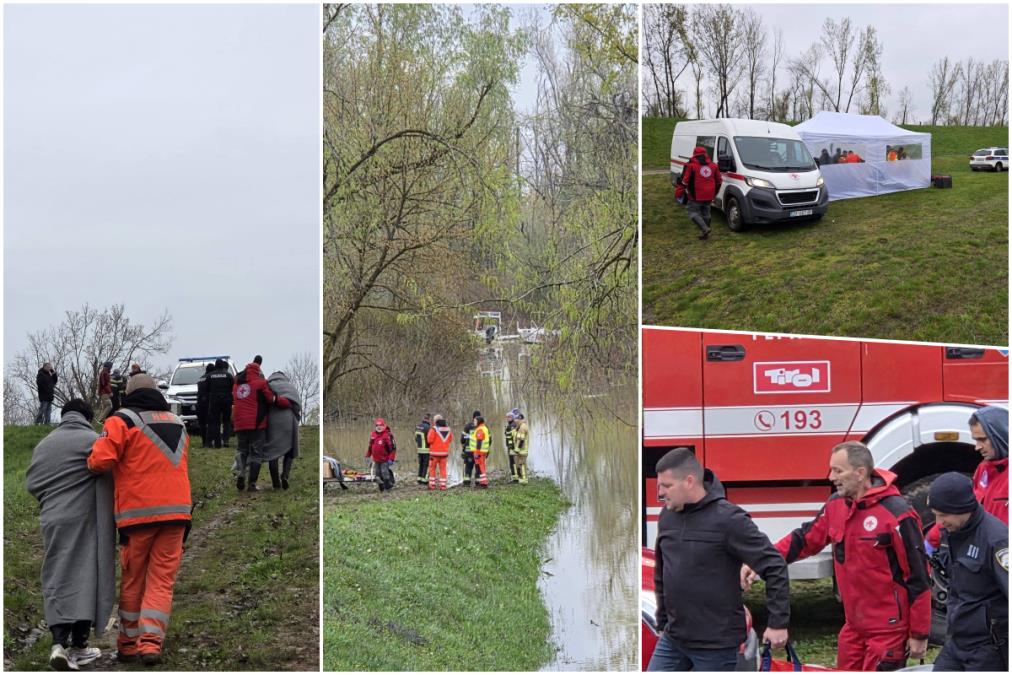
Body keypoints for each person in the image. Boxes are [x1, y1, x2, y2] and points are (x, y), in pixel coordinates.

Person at [744, 441, 930, 670]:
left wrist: (920, 633)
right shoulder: (836, 506)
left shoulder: (897, 514)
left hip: (888, 632)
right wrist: (761, 560)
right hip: (853, 629)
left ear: (860, 473)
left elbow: (919, 576)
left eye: (838, 470)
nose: (831, 477)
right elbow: (803, 540)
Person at [649, 448, 789, 672]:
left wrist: (778, 623)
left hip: (715, 646)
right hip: (674, 640)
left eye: (666, 486)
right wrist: (663, 620)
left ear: (689, 481)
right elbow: (662, 572)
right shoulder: (667, 516)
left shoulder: (728, 519)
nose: (660, 493)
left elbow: (774, 565)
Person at [87, 374, 192, 665]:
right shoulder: (178, 422)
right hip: (177, 513)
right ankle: (151, 644)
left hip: (137, 516)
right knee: (161, 581)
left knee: (134, 580)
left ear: (128, 394)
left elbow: (100, 461)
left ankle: (129, 645)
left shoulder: (121, 420)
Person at [26, 399, 114, 671]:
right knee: (86, 576)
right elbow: (108, 468)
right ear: (87, 418)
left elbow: (32, 483)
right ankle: (74, 644)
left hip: (52, 518)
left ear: (64, 416)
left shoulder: (44, 444)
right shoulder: (92, 439)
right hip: (84, 519)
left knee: (57, 573)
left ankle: (60, 643)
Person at [928, 472, 1008, 671]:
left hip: (987, 649)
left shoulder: (996, 541)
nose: (938, 522)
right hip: (957, 641)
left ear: (963, 508)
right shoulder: (952, 531)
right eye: (935, 514)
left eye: (943, 515)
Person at [926, 406, 1008, 551]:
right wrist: (932, 541)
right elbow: (965, 511)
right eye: (976, 440)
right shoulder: (984, 470)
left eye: (982, 440)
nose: (977, 447)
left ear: (1002, 434)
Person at [232, 355, 287, 491]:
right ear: (258, 371)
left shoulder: (237, 383)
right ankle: (251, 484)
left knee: (242, 450)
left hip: (239, 424)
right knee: (256, 453)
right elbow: (271, 399)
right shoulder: (260, 383)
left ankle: (241, 473)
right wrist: (286, 402)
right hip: (256, 424)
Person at [264, 370, 301, 490]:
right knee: (290, 450)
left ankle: (275, 482)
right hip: (288, 421)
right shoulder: (290, 386)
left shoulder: (267, 386)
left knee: (272, 450)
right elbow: (297, 406)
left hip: (272, 420)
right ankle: (285, 475)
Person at [678, 145, 722, 239]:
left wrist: (680, 191)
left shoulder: (691, 166)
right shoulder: (714, 165)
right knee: (706, 212)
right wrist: (715, 192)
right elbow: (719, 181)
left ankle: (705, 229)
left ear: (694, 155)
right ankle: (705, 233)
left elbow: (685, 181)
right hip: (709, 194)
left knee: (693, 212)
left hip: (696, 194)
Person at [206, 359, 234, 449]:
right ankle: (226, 440)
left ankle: (217, 443)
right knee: (226, 421)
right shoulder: (229, 376)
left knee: (216, 422)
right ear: (223, 366)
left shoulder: (210, 376)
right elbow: (233, 388)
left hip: (214, 401)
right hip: (226, 401)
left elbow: (206, 389)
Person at [366, 417, 397, 492]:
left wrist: (391, 459)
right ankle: (381, 488)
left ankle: (387, 487)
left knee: (384, 473)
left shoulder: (388, 435)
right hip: (376, 459)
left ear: (384, 426)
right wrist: (368, 455)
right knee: (377, 474)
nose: (379, 427)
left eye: (380, 425)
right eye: (377, 426)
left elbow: (393, 448)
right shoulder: (373, 434)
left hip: (385, 459)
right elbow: (370, 446)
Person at [426, 414, 453, 491]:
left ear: (435, 421)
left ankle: (432, 485)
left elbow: (429, 440)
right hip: (444, 454)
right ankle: (443, 486)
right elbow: (450, 439)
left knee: (432, 469)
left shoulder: (433, 429)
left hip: (434, 454)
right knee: (443, 470)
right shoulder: (448, 429)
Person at [470, 415, 491, 488]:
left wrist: (477, 453)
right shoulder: (485, 428)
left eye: (475, 421)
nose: (474, 422)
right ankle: (483, 482)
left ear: (479, 422)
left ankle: (484, 483)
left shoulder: (480, 429)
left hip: (479, 451)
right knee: (482, 467)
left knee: (480, 467)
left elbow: (479, 441)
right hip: (484, 450)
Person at [196, 363, 213, 448]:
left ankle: (204, 442)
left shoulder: (200, 378)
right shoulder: (210, 377)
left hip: (199, 403)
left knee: (202, 424)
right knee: (209, 423)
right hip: (207, 403)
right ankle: (208, 443)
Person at [461, 411, 480, 487]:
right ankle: (478, 482)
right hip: (479, 451)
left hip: (468, 451)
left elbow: (462, 439)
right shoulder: (483, 427)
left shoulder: (467, 426)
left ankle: (466, 482)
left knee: (468, 466)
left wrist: (464, 447)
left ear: (473, 417)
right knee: (478, 466)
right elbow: (489, 440)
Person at [415, 413, 432, 486]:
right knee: (426, 465)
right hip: (426, 450)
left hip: (419, 449)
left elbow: (416, 439)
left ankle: (419, 479)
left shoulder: (417, 426)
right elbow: (430, 439)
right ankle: (424, 480)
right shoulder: (428, 428)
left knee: (421, 464)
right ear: (428, 420)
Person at [514, 410, 530, 485]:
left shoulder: (522, 427)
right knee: (520, 464)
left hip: (522, 450)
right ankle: (522, 479)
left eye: (516, 419)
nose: (515, 420)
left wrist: (517, 449)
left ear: (520, 419)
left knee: (522, 464)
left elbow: (521, 440)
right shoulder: (520, 426)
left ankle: (524, 480)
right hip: (522, 450)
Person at [505, 410, 518, 482]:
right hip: (511, 447)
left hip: (512, 447)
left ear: (512, 418)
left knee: (512, 463)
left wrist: (512, 447)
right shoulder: (510, 425)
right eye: (507, 417)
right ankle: (516, 477)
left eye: (509, 417)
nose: (507, 418)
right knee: (513, 462)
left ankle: (515, 479)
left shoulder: (512, 426)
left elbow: (513, 437)